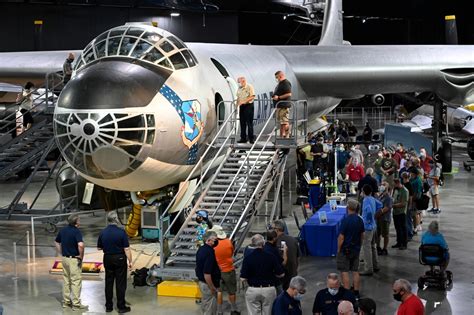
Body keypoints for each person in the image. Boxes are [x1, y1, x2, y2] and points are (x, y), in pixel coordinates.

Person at [97, 211, 132, 313]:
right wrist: (130, 261)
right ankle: (121, 307)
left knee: (109, 282)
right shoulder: (121, 232)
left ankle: (109, 306)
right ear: (116, 219)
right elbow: (127, 249)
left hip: (107, 258)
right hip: (119, 258)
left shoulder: (103, 232)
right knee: (120, 283)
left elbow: (99, 247)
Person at [240, 234, 284, 315]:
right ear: (263, 243)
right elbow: (280, 274)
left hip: (253, 289)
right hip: (269, 289)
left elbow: (243, 278)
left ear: (252, 244)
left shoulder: (248, 258)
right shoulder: (271, 256)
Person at [54, 214, 88, 311]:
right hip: (74, 260)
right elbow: (81, 245)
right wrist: (81, 256)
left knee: (66, 280)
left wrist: (61, 252)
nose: (80, 221)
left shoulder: (63, 230)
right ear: (76, 222)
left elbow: (56, 242)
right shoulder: (76, 232)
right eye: (79, 220)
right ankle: (76, 304)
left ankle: (66, 302)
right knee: (76, 281)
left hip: (65, 259)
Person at [208, 225, 241, 315]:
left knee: (219, 291)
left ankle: (219, 311)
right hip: (229, 270)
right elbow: (231, 254)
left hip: (218, 271)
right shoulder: (228, 242)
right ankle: (234, 309)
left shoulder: (212, 245)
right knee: (232, 291)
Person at [336, 199, 364, 298]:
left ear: (348, 208)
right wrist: (359, 245)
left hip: (345, 250)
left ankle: (347, 292)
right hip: (356, 249)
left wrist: (339, 249)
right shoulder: (360, 220)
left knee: (345, 271)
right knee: (355, 271)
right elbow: (362, 234)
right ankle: (356, 292)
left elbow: (341, 237)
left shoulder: (345, 221)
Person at [195, 230, 221, 315]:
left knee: (206, 305)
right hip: (208, 284)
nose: (216, 242)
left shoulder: (201, 249)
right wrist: (212, 287)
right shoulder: (209, 252)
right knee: (210, 309)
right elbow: (207, 273)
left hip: (202, 283)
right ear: (208, 240)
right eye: (214, 240)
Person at [359, 185, 382, 276]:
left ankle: (368, 268)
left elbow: (368, 212)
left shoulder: (365, 200)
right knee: (373, 246)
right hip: (373, 226)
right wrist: (374, 216)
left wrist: (367, 220)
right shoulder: (372, 198)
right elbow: (380, 205)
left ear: (364, 191)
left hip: (367, 227)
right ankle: (375, 265)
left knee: (366, 247)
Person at [272, 220, 300, 290]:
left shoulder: (274, 243)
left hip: (281, 277)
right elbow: (298, 256)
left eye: (272, 228)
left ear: (277, 230)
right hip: (292, 274)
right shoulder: (293, 239)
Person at [272, 70, 292, 138]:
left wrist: (279, 97)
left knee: (284, 122)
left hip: (284, 106)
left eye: (277, 77)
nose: (276, 79)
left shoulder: (286, 83)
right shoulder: (281, 83)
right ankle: (285, 135)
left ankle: (283, 136)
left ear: (280, 76)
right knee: (282, 122)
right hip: (280, 106)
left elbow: (289, 94)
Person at [236, 76, 255, 144]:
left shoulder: (249, 87)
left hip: (248, 106)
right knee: (242, 123)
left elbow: (252, 96)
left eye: (239, 82)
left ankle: (251, 138)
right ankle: (243, 138)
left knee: (249, 123)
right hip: (242, 107)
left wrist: (244, 101)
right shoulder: (239, 88)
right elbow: (238, 97)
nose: (239, 83)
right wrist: (236, 105)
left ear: (243, 81)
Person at [375, 181, 392, 256]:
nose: (381, 186)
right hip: (378, 219)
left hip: (385, 219)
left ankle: (385, 248)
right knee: (377, 234)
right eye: (381, 184)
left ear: (387, 187)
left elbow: (387, 208)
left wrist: (378, 213)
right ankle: (378, 247)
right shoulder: (380, 196)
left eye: (384, 185)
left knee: (385, 234)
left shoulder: (388, 197)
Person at [392, 178, 409, 250]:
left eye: (394, 184)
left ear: (398, 183)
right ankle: (399, 242)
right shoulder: (395, 190)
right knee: (397, 228)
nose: (393, 185)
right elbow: (393, 199)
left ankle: (404, 244)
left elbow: (403, 203)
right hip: (395, 212)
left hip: (401, 212)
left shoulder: (405, 191)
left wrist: (393, 205)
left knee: (403, 228)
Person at [409, 168, 423, 233]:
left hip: (415, 199)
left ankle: (416, 227)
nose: (410, 174)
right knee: (413, 214)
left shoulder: (418, 181)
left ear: (414, 173)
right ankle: (415, 226)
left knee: (415, 214)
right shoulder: (412, 179)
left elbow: (417, 192)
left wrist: (413, 199)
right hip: (412, 198)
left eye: (411, 172)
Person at [401, 172, 415, 241]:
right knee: (406, 220)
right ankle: (407, 233)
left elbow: (411, 196)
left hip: (408, 205)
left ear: (404, 178)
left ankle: (409, 234)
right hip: (405, 205)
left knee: (408, 220)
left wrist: (409, 205)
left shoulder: (409, 185)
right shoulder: (405, 184)